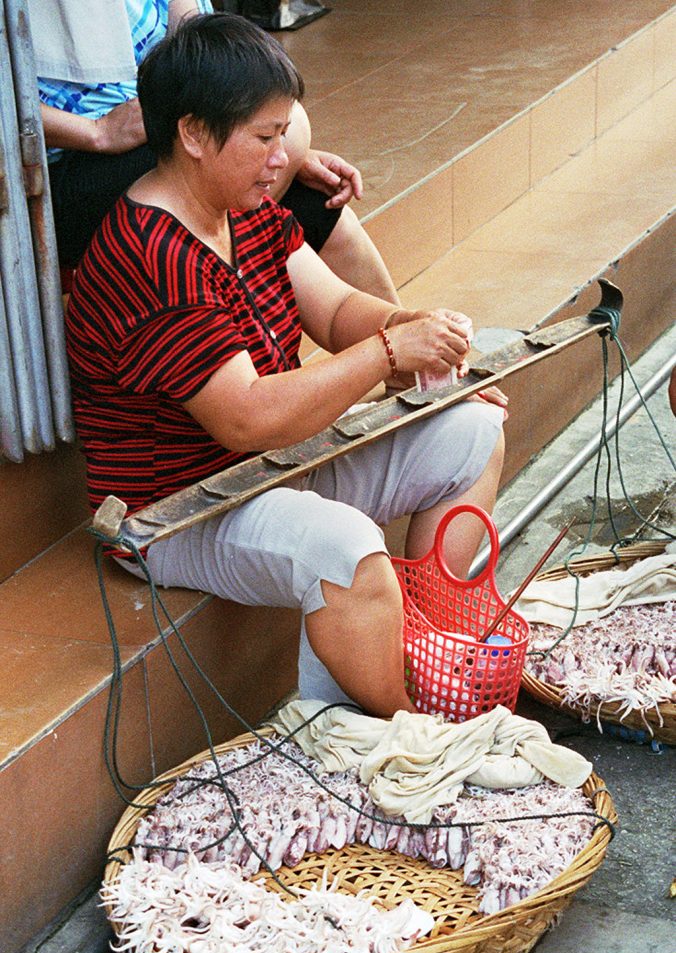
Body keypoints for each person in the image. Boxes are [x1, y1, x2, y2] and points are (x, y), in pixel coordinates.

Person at [65, 12, 509, 719]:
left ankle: (435, 647)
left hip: (268, 470)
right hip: (177, 512)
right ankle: (409, 728)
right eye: (266, 138)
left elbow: (334, 313)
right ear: (192, 134)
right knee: (347, 550)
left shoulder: (241, 207)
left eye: (284, 135)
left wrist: (417, 331)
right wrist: (390, 353)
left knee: (470, 433)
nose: (284, 157)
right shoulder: (150, 255)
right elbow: (249, 417)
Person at [31, 0, 398, 302]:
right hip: (63, 166)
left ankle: (419, 368)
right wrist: (96, 132)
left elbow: (214, 64)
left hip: (162, 128)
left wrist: (274, 149)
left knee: (318, 203)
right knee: (270, 215)